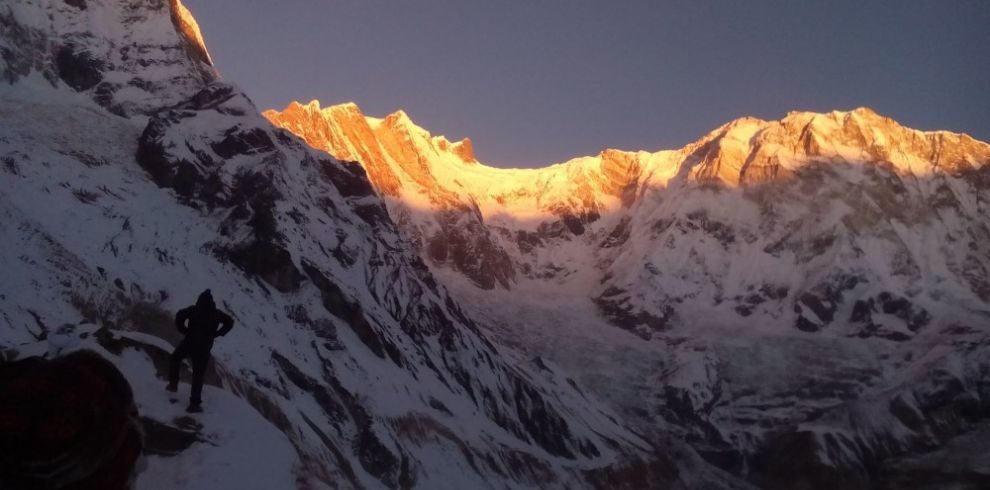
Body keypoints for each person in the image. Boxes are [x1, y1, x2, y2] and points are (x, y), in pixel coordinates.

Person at [166, 289, 234, 413]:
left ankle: (173, 384)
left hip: (189, 343)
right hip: (204, 348)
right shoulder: (216, 314)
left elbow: (180, 315)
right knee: (198, 375)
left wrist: (184, 330)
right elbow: (230, 322)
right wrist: (218, 333)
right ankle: (194, 404)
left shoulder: (194, 310)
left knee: (175, 358)